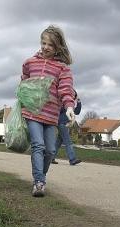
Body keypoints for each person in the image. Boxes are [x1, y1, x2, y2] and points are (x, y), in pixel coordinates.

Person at [20, 25, 76, 197]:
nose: (45, 47)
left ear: (58, 46)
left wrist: (69, 107)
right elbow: (23, 82)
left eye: (50, 45)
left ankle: (41, 175)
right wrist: (23, 94)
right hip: (32, 113)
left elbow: (66, 90)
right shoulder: (30, 62)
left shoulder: (62, 68)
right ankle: (39, 182)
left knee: (50, 151)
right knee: (38, 145)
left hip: (51, 115)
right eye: (43, 43)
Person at [51, 90, 82, 165]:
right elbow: (59, 110)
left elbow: (77, 112)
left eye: (74, 95)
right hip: (62, 123)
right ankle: (72, 159)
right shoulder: (63, 103)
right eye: (72, 94)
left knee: (58, 142)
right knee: (68, 141)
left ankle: (50, 157)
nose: (73, 96)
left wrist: (79, 101)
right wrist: (66, 105)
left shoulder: (71, 105)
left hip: (66, 124)